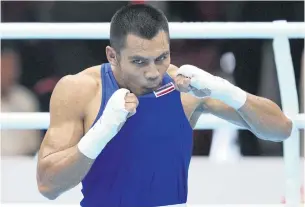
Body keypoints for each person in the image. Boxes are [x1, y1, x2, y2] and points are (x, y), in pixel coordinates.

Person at [36, 4, 295, 207]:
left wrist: (226, 90)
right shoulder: (80, 90)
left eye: (161, 57)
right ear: (112, 55)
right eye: (139, 62)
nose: (153, 72)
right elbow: (48, 186)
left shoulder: (187, 88)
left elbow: (281, 130)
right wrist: (101, 131)